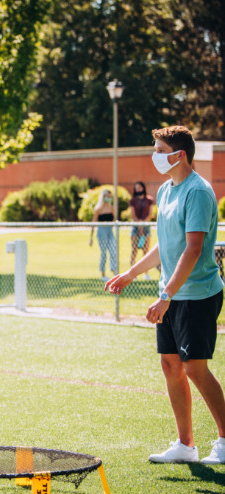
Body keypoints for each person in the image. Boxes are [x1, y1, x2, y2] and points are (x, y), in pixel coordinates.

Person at [105, 125, 225, 465]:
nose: (155, 155)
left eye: (160, 149)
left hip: (197, 293)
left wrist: (167, 294)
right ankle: (185, 446)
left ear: (180, 154)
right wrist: (130, 274)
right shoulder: (166, 191)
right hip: (172, 293)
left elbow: (193, 248)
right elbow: (164, 244)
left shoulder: (198, 192)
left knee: (195, 368)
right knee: (171, 364)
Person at [129, 181, 155, 279]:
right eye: (136, 188)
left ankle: (146, 273)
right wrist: (139, 225)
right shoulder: (133, 200)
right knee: (134, 249)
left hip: (146, 226)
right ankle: (133, 273)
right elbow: (133, 215)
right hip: (136, 226)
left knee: (146, 250)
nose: (138, 189)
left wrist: (143, 224)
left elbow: (150, 214)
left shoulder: (149, 200)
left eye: (139, 187)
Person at [89, 189, 117, 281]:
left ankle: (114, 272)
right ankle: (103, 274)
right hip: (102, 232)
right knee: (104, 253)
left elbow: (114, 219)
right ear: (103, 197)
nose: (109, 198)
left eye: (110, 197)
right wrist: (91, 237)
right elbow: (93, 223)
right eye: (107, 197)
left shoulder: (111, 208)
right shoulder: (98, 209)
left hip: (110, 231)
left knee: (113, 251)